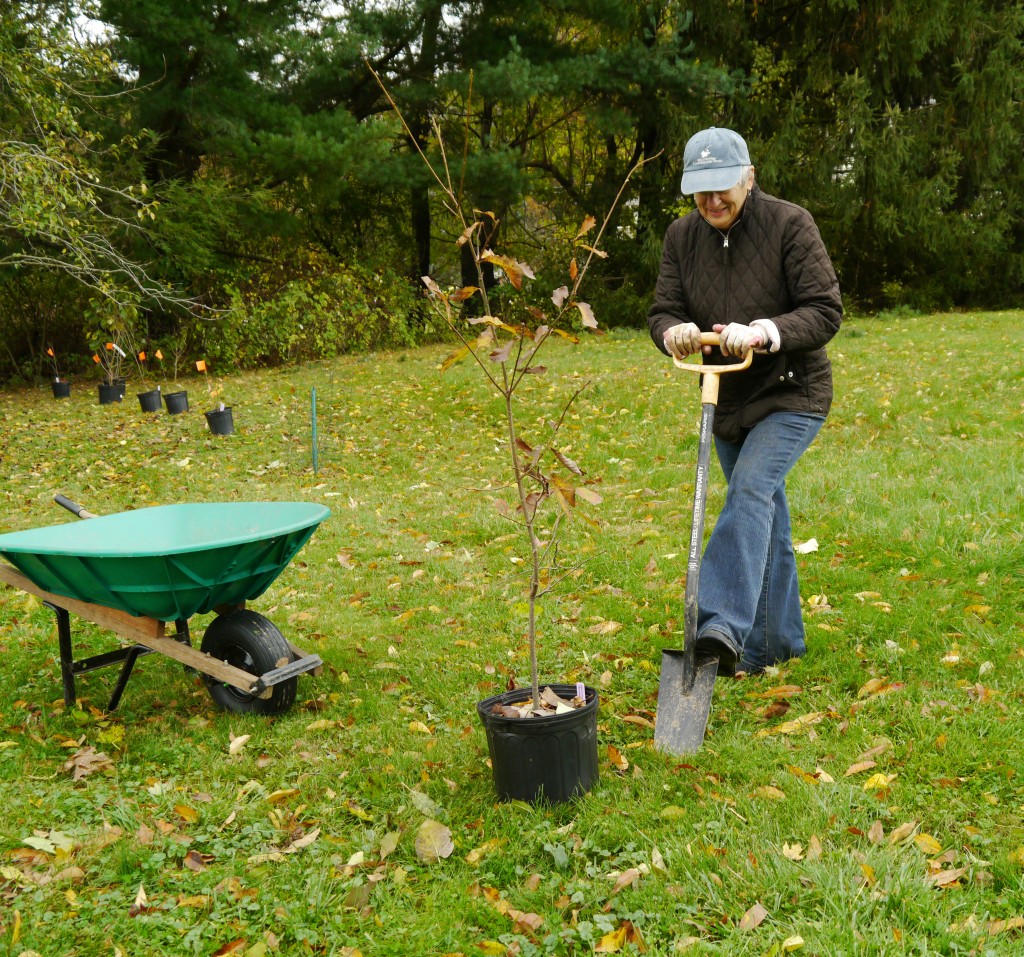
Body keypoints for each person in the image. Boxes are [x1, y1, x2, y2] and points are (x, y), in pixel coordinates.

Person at [648, 126, 842, 676]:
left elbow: (825, 310)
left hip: (791, 393)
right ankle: (771, 647)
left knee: (752, 490)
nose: (712, 201)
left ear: (749, 177)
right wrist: (674, 333)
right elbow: (661, 310)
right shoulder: (680, 237)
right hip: (726, 400)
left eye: (723, 187)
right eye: (700, 190)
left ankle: (719, 625)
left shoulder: (789, 224)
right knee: (766, 517)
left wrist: (763, 332)